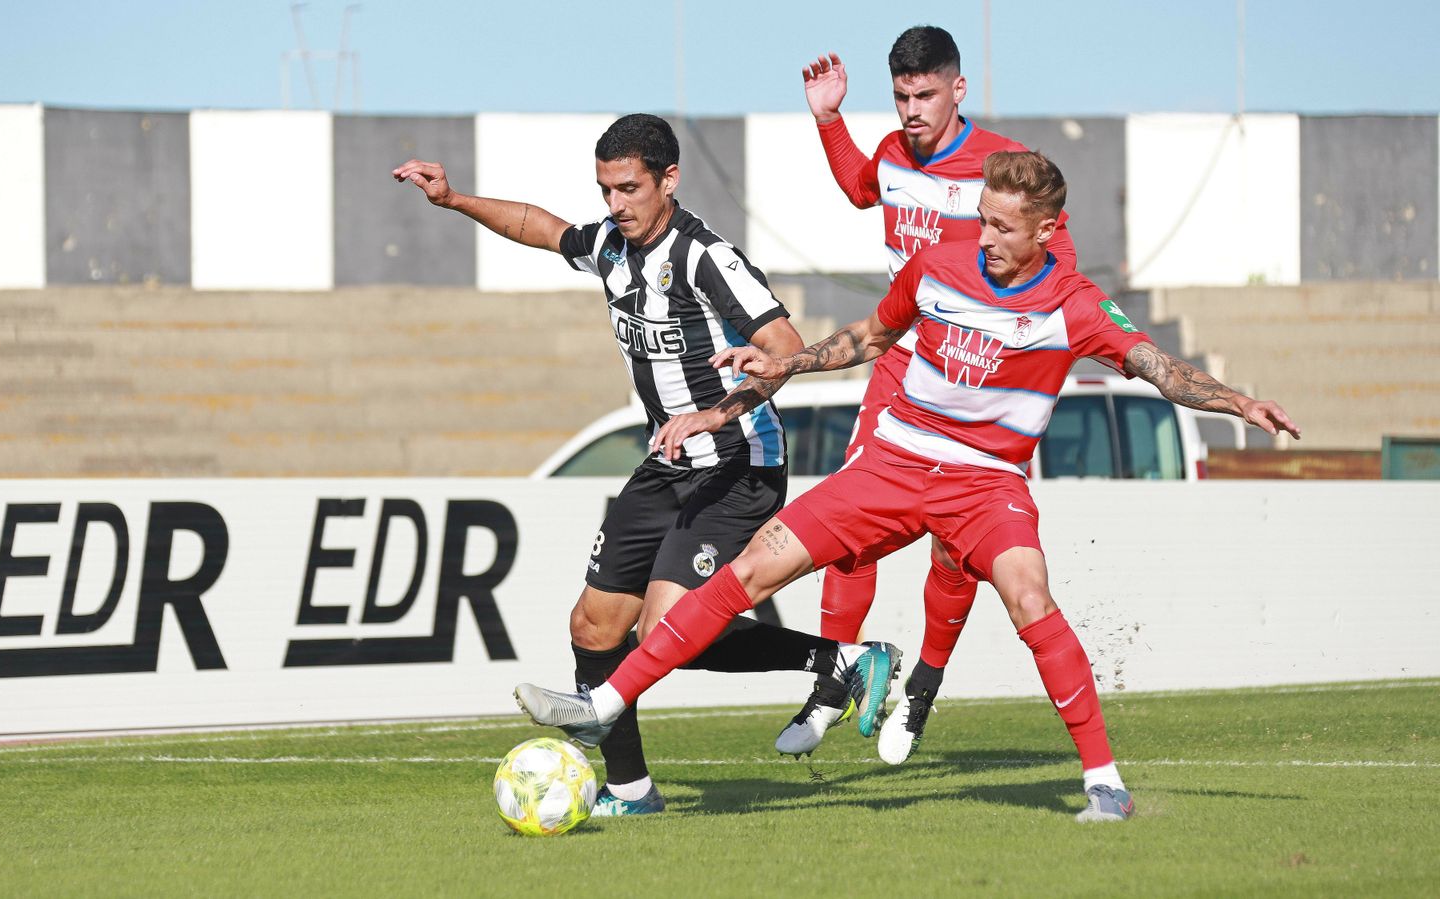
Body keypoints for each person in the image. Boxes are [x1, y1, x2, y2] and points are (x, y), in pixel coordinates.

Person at [514, 150, 1301, 822]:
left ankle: (1104, 782)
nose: (984, 237)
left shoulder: (1077, 304)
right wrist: (786, 362)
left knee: (1030, 597)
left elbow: (1160, 368)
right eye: (982, 220)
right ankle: (604, 705)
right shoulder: (939, 267)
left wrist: (1237, 402)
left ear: (1046, 231)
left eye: (1002, 227)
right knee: (751, 567)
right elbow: (868, 337)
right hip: (889, 466)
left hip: (984, 484)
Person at [393, 114, 895, 817]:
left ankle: (838, 661)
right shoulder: (609, 244)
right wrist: (454, 200)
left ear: (669, 180)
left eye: (629, 188)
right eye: (606, 190)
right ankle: (631, 791)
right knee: (594, 626)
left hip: (738, 459)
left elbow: (784, 346)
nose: (616, 204)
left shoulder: (703, 257)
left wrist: (720, 410)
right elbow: (542, 227)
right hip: (668, 459)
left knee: (667, 628)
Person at [782, 25, 1080, 763]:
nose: (912, 110)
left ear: (958, 89)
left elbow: (1060, 267)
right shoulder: (891, 151)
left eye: (925, 94)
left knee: (954, 549)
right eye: (901, 96)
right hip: (899, 367)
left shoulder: (1004, 170)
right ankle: (832, 680)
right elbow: (862, 188)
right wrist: (830, 119)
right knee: (849, 523)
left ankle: (922, 687)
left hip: (976, 379)